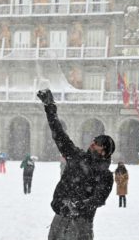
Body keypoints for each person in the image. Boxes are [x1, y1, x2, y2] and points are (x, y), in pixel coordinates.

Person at [37, 88, 115, 240]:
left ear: (105, 151)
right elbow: (59, 134)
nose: (93, 143)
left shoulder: (105, 175)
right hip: (59, 218)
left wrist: (76, 205)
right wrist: (50, 108)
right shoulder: (76, 156)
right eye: (94, 140)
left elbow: (98, 198)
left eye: (98, 143)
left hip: (81, 225)